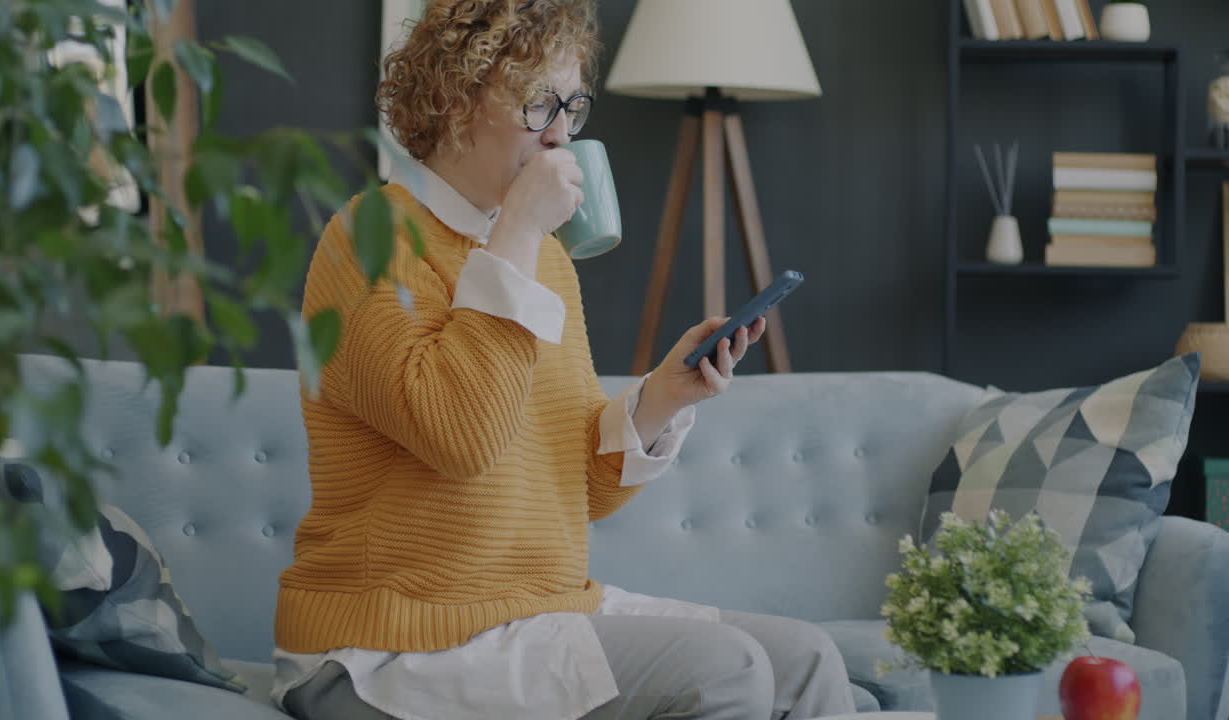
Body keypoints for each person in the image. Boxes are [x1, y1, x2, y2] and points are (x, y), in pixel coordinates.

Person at [271, 1, 858, 718]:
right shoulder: (370, 240)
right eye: (537, 103)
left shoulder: (545, 259)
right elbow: (460, 437)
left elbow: (584, 489)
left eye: (572, 106)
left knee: (806, 661)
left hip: (532, 613)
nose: (560, 134)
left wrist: (660, 401)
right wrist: (515, 231)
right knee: (724, 670)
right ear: (453, 102)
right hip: (385, 647)